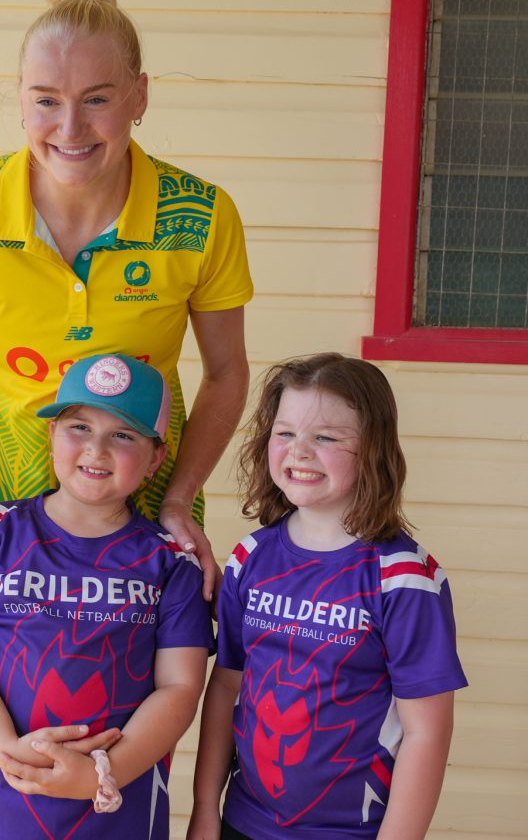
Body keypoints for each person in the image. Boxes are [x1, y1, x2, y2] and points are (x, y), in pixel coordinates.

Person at [0, 0, 253, 598]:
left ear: (140, 96)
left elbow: (226, 373)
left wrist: (182, 497)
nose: (70, 127)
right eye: (47, 99)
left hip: (145, 502)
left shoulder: (201, 217)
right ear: (21, 99)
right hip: (2, 500)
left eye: (98, 98)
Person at [0, 353, 212, 839]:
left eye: (123, 434)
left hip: (114, 808)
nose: (96, 449)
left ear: (155, 458)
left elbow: (180, 688)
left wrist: (102, 774)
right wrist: (8, 751)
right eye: (78, 426)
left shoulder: (171, 562)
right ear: (51, 435)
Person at [187, 354, 467, 840]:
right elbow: (226, 689)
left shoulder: (404, 579)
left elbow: (426, 733)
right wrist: (205, 809)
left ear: (373, 450)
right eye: (285, 433)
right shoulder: (250, 558)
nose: (299, 452)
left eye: (326, 437)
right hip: (244, 822)